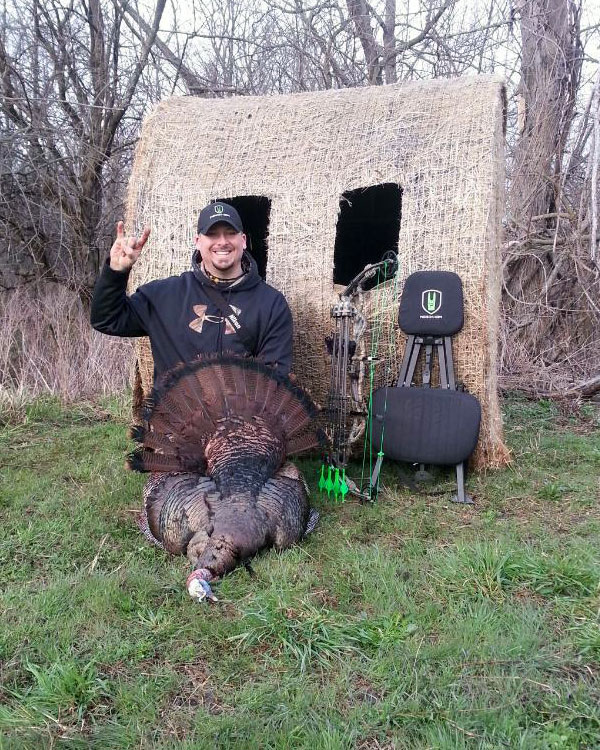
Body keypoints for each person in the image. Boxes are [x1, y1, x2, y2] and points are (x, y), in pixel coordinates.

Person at [91, 202, 293, 378]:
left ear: (244, 240)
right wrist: (115, 272)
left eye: (230, 233)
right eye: (212, 234)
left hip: (243, 412)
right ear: (198, 242)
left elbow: (274, 380)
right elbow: (107, 319)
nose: (222, 241)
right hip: (172, 412)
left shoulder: (271, 304)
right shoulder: (165, 296)